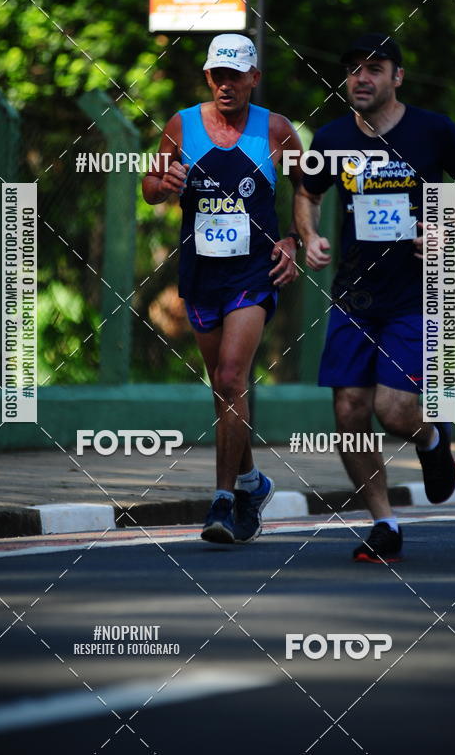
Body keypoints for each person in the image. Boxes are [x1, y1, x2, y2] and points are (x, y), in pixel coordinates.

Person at [294, 32, 455, 563]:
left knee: (395, 410)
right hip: (355, 296)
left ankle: (430, 439)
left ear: (397, 77)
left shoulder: (432, 130)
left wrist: (445, 225)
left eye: (374, 67)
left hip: (418, 293)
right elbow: (307, 193)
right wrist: (309, 235)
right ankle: (384, 522)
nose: (361, 77)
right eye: (354, 67)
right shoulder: (332, 138)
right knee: (350, 409)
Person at [142, 34, 303, 544]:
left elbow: (307, 188)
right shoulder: (182, 125)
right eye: (218, 75)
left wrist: (295, 238)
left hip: (253, 275)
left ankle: (222, 500)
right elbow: (149, 186)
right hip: (200, 274)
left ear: (254, 77)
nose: (226, 84)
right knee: (223, 388)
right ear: (208, 77)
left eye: (236, 75)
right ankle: (252, 483)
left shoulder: (276, 130)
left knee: (234, 376)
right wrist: (162, 186)